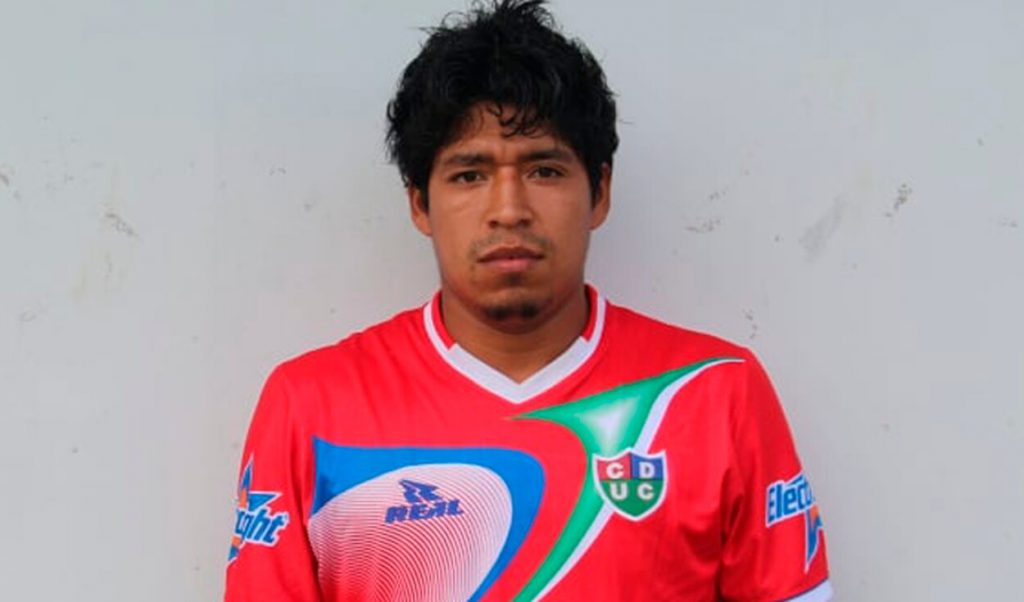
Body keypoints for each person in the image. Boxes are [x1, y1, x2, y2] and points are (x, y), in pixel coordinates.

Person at [223, 1, 832, 600]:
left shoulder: (715, 392)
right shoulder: (311, 405)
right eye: (469, 174)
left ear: (599, 192)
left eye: (544, 170)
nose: (509, 209)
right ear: (420, 204)